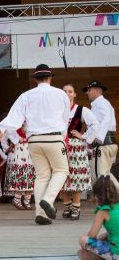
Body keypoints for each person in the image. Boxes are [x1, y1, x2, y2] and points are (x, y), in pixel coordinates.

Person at [0, 64, 70, 225]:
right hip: (54, 138)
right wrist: (63, 136)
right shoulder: (60, 94)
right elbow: (65, 118)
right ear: (50, 78)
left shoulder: (26, 95)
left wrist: (1, 129)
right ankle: (48, 201)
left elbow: (14, 117)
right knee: (61, 170)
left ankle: (40, 214)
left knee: (42, 175)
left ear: (36, 79)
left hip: (34, 141)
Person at [61, 83, 99, 220]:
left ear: (74, 94)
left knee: (75, 176)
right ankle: (67, 205)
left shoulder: (81, 110)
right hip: (60, 146)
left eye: (70, 91)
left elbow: (95, 124)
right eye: (64, 91)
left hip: (75, 146)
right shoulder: (56, 110)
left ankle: (76, 206)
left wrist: (84, 136)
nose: (67, 93)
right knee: (61, 176)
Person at [83, 80, 117, 184]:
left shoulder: (101, 103)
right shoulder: (100, 104)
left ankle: (105, 199)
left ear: (97, 91)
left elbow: (106, 119)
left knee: (100, 175)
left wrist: (99, 138)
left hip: (103, 143)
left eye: (89, 90)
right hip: (108, 142)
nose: (86, 93)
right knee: (105, 174)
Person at [78, 175, 119, 260]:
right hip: (114, 245)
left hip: (116, 252)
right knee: (83, 253)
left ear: (96, 197)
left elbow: (91, 236)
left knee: (83, 240)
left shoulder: (103, 211)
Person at [2, 125, 35, 210]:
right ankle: (17, 199)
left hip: (29, 151)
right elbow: (3, 139)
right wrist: (8, 148)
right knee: (20, 175)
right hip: (17, 153)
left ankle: (27, 201)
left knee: (30, 176)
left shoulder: (31, 123)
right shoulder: (13, 126)